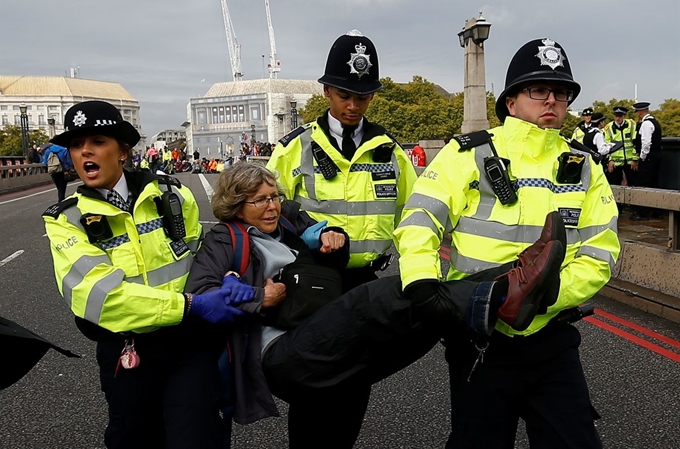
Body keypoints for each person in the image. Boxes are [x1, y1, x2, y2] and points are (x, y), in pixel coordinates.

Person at [186, 162, 564, 449]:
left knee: (425, 321)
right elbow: (202, 296)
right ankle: (507, 292)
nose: (271, 207)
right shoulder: (224, 241)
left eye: (274, 197)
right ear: (237, 204)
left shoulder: (288, 221)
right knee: (385, 296)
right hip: (281, 353)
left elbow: (320, 234)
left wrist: (333, 237)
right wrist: (257, 297)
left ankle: (514, 274)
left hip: (320, 335)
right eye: (260, 201)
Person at [394, 38, 621, 448]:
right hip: (480, 338)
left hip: (552, 336)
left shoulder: (584, 165)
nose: (551, 99)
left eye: (561, 92)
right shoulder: (467, 154)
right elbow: (419, 217)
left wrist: (544, 296)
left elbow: (601, 250)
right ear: (511, 102)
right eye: (538, 89)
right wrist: (422, 282)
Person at [42, 100, 250, 449]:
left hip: (189, 344)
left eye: (97, 141)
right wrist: (191, 305)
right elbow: (100, 297)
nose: (85, 152)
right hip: (128, 351)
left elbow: (202, 254)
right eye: (76, 146)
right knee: (136, 440)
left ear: (123, 150)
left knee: (197, 438)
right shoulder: (67, 221)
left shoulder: (171, 194)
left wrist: (226, 274)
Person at [267, 29, 417, 292]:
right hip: (312, 278)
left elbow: (413, 217)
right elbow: (268, 213)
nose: (352, 106)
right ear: (327, 90)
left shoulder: (391, 151)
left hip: (369, 281)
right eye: (344, 96)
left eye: (362, 98)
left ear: (372, 96)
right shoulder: (294, 147)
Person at [632, 101, 664, 220]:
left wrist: (642, 157)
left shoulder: (646, 124)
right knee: (655, 183)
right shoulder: (655, 122)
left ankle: (643, 213)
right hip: (657, 155)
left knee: (644, 183)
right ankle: (657, 211)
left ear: (640, 113)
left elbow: (646, 143)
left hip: (649, 157)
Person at [603, 105, 638, 187]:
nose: (618, 118)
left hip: (630, 161)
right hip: (615, 162)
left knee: (634, 184)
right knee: (614, 185)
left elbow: (636, 143)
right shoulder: (608, 128)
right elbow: (606, 146)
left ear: (624, 116)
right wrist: (609, 160)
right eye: (616, 116)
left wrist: (635, 159)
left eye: (620, 116)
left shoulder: (631, 125)